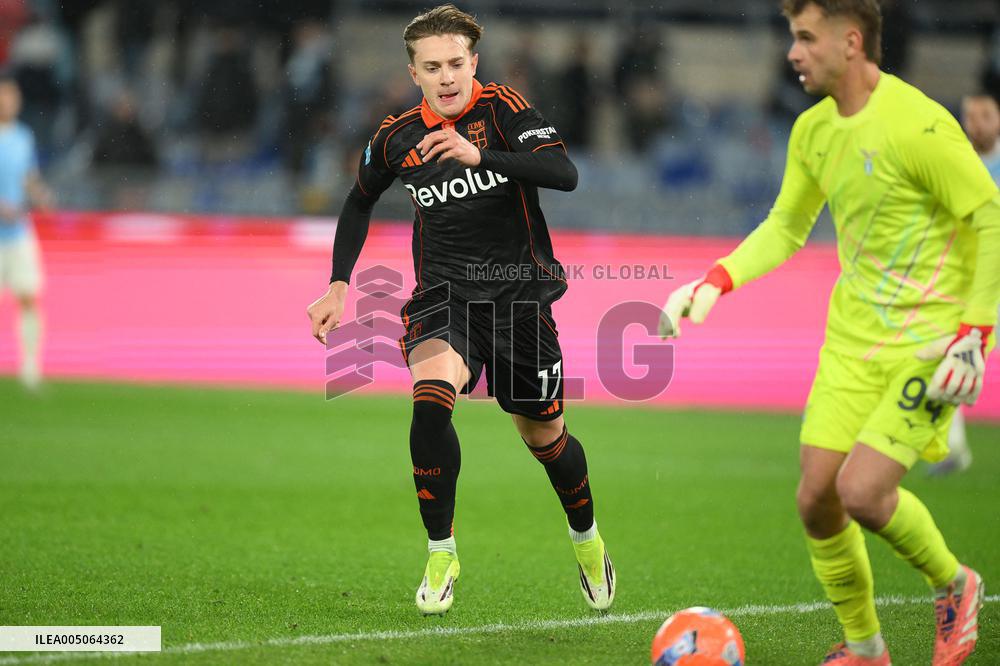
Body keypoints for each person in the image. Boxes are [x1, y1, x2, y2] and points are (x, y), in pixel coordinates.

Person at [658, 2, 997, 664]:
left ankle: (955, 584)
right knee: (816, 499)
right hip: (851, 343)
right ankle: (867, 649)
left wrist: (974, 334)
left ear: (850, 42)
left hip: (929, 345)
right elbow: (787, 225)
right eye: (792, 37)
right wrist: (716, 281)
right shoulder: (813, 130)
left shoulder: (920, 124)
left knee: (863, 493)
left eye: (805, 38)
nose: (793, 52)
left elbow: (988, 217)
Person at [306, 4, 614, 616]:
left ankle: (587, 540)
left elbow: (564, 172)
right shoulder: (394, 137)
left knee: (545, 437)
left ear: (473, 62)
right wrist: (338, 283)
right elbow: (358, 200)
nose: (447, 77)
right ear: (414, 73)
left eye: (456, 64)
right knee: (429, 402)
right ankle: (442, 549)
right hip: (443, 298)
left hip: (520, 301)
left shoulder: (503, 109)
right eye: (432, 67)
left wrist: (484, 158)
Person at [929, 92, 1000, 476]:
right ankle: (951, 448)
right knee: (952, 356)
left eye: (985, 114)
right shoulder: (956, 162)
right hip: (971, 285)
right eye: (969, 115)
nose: (976, 123)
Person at [0, 72, 52, 391]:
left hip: (18, 233)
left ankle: (31, 367)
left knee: (29, 297)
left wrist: (40, 195)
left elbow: (28, 176)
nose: (9, 101)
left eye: (12, 96)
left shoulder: (23, 136)